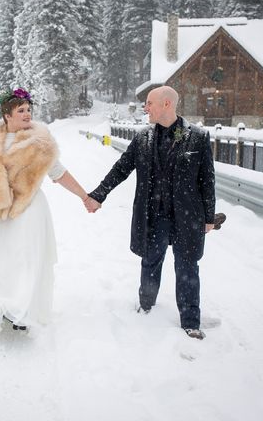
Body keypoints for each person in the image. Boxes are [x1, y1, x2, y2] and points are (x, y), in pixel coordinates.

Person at [84, 86, 216, 340]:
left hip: (187, 217)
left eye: (149, 103)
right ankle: (146, 307)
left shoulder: (197, 137)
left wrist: (209, 216)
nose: (145, 108)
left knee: (187, 268)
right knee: (150, 261)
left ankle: (190, 321)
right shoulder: (142, 137)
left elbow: (206, 179)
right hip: (154, 215)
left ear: (166, 104)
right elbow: (121, 168)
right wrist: (99, 195)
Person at [0, 88, 90, 334]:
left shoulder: (40, 143)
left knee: (24, 258)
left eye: (29, 110)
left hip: (28, 209)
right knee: (1, 258)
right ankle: (5, 305)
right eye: (21, 110)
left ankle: (20, 310)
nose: (27, 114)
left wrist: (84, 196)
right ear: (7, 115)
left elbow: (59, 173)